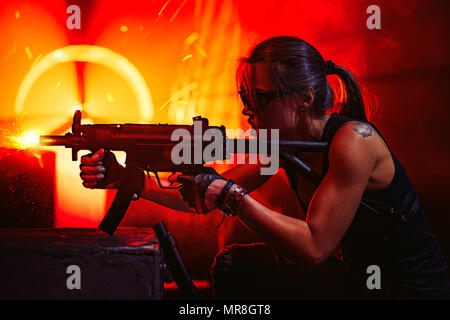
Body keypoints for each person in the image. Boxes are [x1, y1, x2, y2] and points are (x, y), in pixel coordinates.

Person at [79, 36, 450, 299]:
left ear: (304, 99)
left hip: (406, 289)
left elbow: (314, 246)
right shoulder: (281, 144)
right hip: (355, 278)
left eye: (260, 98)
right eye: (245, 97)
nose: (247, 109)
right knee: (237, 266)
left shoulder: (355, 141)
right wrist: (131, 179)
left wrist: (233, 197)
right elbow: (205, 198)